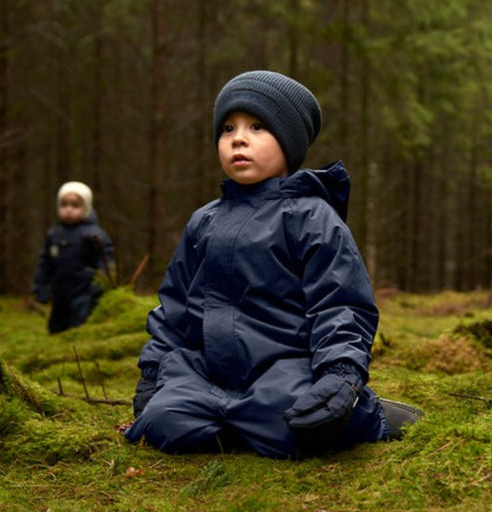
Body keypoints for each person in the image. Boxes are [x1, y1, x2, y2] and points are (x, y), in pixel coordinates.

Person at [125, 70, 423, 459]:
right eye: (227, 128)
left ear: (289, 141)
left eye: (258, 126)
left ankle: (365, 411)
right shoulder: (204, 221)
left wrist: (341, 374)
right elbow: (176, 307)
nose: (239, 139)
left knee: (300, 422)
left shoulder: (312, 217)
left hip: (285, 369)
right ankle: (236, 425)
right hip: (208, 374)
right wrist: (152, 373)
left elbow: (340, 305)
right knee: (160, 423)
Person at [32, 181, 114, 334]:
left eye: (75, 205)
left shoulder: (94, 235)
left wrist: (100, 285)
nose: (68, 209)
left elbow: (105, 260)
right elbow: (45, 263)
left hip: (85, 293)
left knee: (80, 326)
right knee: (57, 328)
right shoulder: (54, 234)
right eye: (64, 205)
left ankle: (79, 353)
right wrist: (40, 286)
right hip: (60, 293)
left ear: (87, 208)